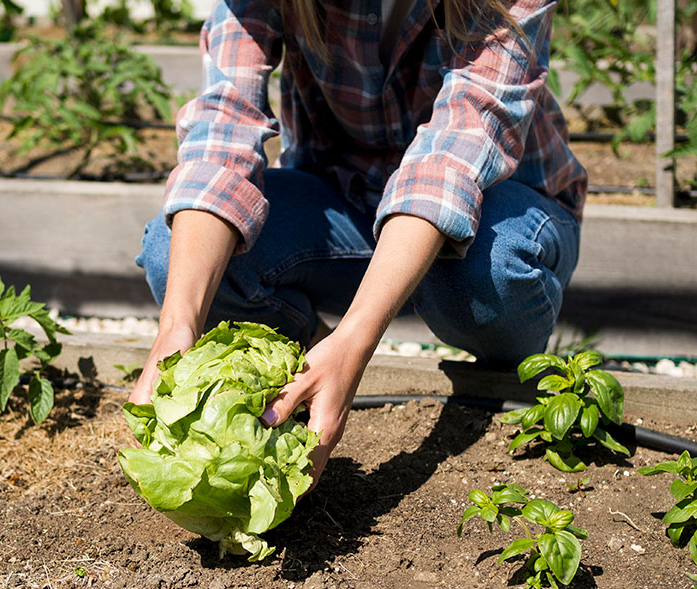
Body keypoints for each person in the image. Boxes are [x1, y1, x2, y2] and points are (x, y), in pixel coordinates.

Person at [130, 0, 587, 487]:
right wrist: (176, 328)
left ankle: (500, 385)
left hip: (497, 208)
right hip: (347, 203)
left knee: (485, 273)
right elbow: (223, 126)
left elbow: (453, 156)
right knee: (171, 251)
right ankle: (304, 367)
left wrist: (355, 341)